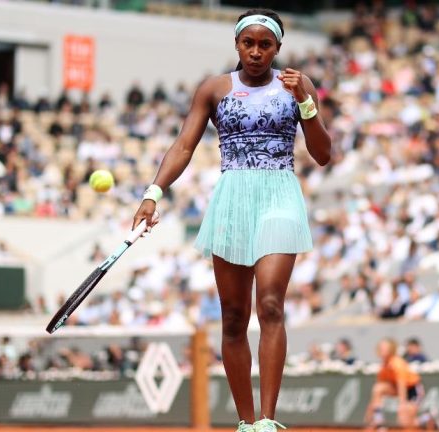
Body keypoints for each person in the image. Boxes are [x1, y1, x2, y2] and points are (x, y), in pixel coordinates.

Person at [131, 9, 331, 432]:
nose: (256, 52)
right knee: (234, 317)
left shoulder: (297, 85)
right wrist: (153, 192)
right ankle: (245, 422)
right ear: (236, 45)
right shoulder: (215, 88)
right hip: (232, 198)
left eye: (266, 45)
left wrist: (306, 104)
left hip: (279, 193)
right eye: (248, 43)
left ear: (278, 48)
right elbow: (184, 146)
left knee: (271, 304)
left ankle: (268, 421)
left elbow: (324, 154)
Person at [365, 339, 439, 431]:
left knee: (406, 422)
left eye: (385, 347)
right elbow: (378, 390)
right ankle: (379, 423)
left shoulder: (397, 363)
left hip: (413, 389)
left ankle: (429, 416)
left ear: (391, 349)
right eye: (381, 347)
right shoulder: (384, 365)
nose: (382, 349)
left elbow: (402, 384)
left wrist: (402, 406)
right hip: (398, 389)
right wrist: (370, 410)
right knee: (378, 388)